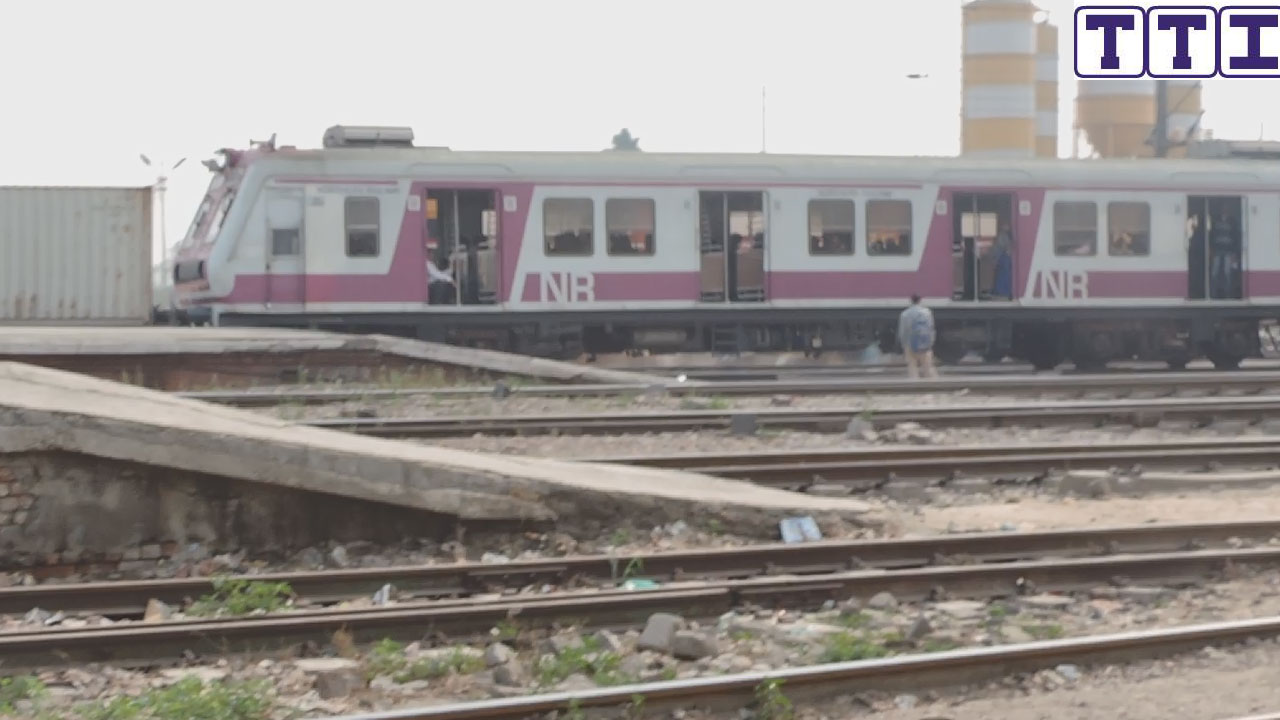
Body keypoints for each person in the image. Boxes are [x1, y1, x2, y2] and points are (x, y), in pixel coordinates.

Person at [898, 294, 938, 379]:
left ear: (911, 301)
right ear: (920, 301)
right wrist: (931, 342)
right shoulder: (927, 312)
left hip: (910, 344)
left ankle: (915, 385)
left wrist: (903, 344)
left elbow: (903, 331)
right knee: (928, 367)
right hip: (925, 344)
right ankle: (932, 385)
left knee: (912, 367)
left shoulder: (905, 314)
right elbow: (931, 327)